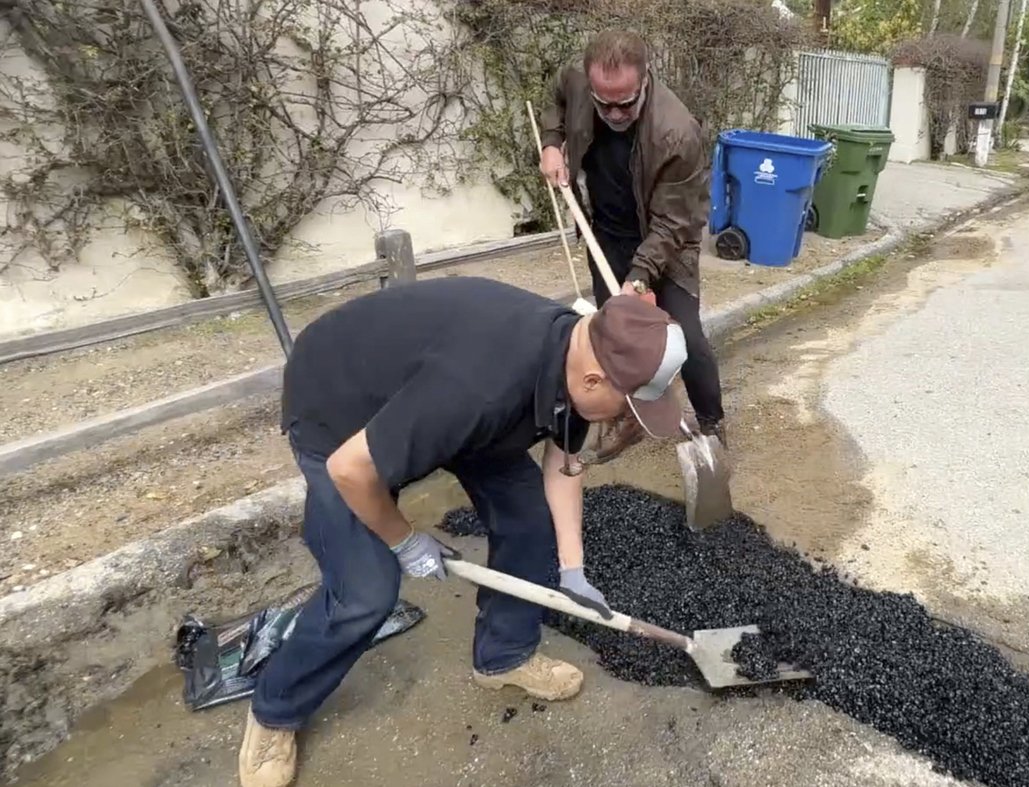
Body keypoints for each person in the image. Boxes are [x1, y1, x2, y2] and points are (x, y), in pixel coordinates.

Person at [238, 276, 688, 787]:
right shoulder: (481, 386)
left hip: (438, 402)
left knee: (528, 519)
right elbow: (350, 469)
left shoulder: (576, 354)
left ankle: (503, 658)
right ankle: (274, 712)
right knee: (365, 590)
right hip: (339, 408)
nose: (628, 419)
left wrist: (572, 567)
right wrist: (404, 541)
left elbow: (564, 460)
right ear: (592, 381)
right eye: (629, 406)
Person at [538, 29, 726, 463]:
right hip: (606, 232)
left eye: (626, 102)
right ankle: (626, 417)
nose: (615, 112)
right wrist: (551, 143)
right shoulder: (580, 83)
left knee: (687, 337)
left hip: (666, 239)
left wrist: (639, 276)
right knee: (613, 336)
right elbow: (557, 98)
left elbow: (675, 221)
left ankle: (713, 426)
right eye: (605, 103)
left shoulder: (677, 132)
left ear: (645, 81)